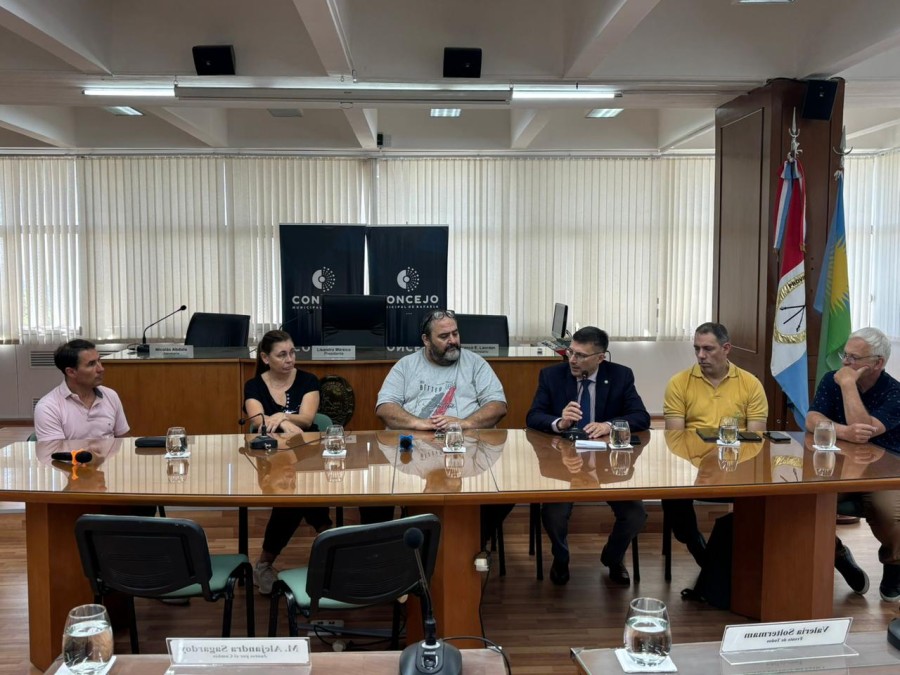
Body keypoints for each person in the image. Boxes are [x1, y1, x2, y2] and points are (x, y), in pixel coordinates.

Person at [526, 326, 650, 586]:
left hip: (607, 466)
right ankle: (561, 558)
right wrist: (559, 422)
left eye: (581, 355)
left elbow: (641, 417)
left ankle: (613, 557)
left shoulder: (620, 375)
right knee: (553, 515)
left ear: (600, 358)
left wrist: (609, 425)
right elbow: (533, 416)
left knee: (635, 514)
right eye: (570, 352)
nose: (572, 359)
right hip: (563, 465)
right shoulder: (552, 376)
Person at [375, 309, 511, 534]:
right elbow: (384, 407)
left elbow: (498, 405)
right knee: (377, 496)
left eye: (455, 334)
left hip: (466, 446)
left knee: (506, 492)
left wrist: (464, 423)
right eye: (444, 336)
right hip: (415, 446)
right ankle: (403, 545)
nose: (453, 341)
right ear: (426, 340)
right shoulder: (406, 366)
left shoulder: (475, 363)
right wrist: (418, 423)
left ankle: (474, 541)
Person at [662, 322, 768, 567]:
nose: (701, 355)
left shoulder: (750, 383)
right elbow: (675, 438)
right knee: (672, 494)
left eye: (708, 349)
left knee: (763, 496)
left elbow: (756, 440)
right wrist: (701, 463)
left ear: (726, 348)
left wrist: (727, 462)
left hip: (738, 466)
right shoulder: (679, 382)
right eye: (697, 349)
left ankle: (742, 559)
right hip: (692, 466)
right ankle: (702, 554)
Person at [805, 327, 900, 602]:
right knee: (804, 504)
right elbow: (812, 419)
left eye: (854, 358)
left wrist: (848, 385)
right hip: (837, 467)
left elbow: (864, 432)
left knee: (890, 514)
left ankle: (894, 565)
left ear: (877, 363)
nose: (845, 363)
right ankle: (838, 555)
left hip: (882, 472)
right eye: (845, 355)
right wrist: (843, 431)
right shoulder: (831, 379)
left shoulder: (894, 392)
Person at [244, 329, 332, 594]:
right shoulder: (254, 385)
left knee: (293, 498)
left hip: (308, 455)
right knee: (294, 496)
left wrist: (280, 417)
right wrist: (281, 421)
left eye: (292, 352)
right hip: (269, 458)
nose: (290, 359)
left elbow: (307, 420)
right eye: (282, 354)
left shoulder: (308, 380)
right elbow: (257, 421)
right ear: (265, 358)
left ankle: (264, 564)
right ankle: (330, 539)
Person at [34, 339, 130, 441]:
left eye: (99, 360)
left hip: (109, 452)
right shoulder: (48, 407)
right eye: (91, 364)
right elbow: (55, 450)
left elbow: (124, 440)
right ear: (71, 372)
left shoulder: (110, 395)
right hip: (72, 453)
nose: (101, 369)